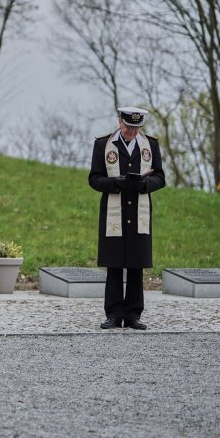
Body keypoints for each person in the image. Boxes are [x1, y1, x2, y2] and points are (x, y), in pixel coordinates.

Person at [88, 106, 165, 330]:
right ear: (119, 121)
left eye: (135, 128)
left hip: (138, 211)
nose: (131, 132)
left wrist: (144, 184)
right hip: (114, 210)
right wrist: (116, 183)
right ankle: (113, 314)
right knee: (114, 265)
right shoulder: (103, 144)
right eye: (128, 127)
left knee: (135, 265)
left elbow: (160, 177)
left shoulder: (150, 145)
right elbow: (94, 179)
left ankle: (133, 315)